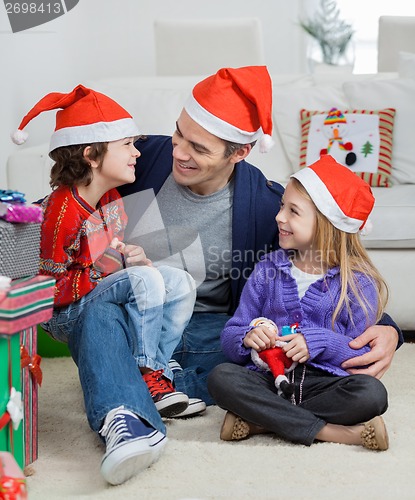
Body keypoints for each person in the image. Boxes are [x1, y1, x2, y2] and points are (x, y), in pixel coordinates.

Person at [117, 65, 403, 407]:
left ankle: (143, 383)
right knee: (102, 329)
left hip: (209, 328)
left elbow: (332, 265)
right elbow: (70, 200)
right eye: (178, 134)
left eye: (198, 148)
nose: (178, 152)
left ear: (239, 153)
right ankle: (151, 384)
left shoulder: (268, 206)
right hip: (137, 316)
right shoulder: (141, 157)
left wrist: (389, 329)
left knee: (253, 366)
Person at [11, 85, 196, 485]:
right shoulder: (59, 213)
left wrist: (124, 255)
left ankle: (159, 366)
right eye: (127, 144)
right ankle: (147, 372)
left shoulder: (111, 197)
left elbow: (105, 249)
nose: (138, 153)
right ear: (92, 155)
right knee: (141, 280)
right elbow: (48, 290)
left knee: (178, 281)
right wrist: (111, 267)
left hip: (94, 290)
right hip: (64, 311)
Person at [208, 155, 390, 451]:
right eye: (282, 206)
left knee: (372, 394)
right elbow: (231, 337)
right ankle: (336, 433)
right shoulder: (268, 269)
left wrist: (319, 341)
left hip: (324, 385)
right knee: (221, 377)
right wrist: (248, 336)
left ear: (327, 225)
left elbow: (361, 354)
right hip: (269, 378)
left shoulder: (357, 284)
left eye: (293, 211)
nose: (280, 217)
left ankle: (263, 421)